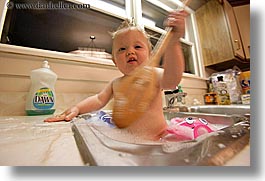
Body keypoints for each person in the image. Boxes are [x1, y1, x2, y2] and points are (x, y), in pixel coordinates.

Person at [44, 10, 189, 141]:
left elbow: (172, 79)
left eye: (137, 47)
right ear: (115, 61)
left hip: (158, 140)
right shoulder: (117, 84)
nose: (130, 52)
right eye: (122, 49)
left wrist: (173, 42)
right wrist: (77, 108)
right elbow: (98, 99)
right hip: (128, 141)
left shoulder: (154, 75)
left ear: (150, 55)